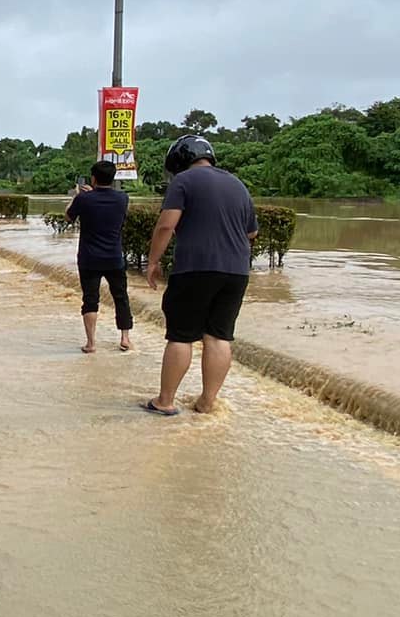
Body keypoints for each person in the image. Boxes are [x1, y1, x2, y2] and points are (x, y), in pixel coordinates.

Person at [142, 133, 257, 415]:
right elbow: (252, 232)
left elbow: (166, 226)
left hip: (195, 268)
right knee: (218, 336)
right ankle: (207, 402)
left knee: (181, 335)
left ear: (179, 161)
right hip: (237, 272)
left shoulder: (183, 181)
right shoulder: (238, 184)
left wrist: (153, 261)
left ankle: (165, 402)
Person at [66, 160, 131, 353]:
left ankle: (91, 343)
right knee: (121, 297)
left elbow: (68, 217)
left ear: (93, 178)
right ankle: (125, 339)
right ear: (113, 178)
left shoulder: (84, 199)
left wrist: (77, 196)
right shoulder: (123, 198)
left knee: (90, 299)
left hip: (89, 258)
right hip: (114, 257)